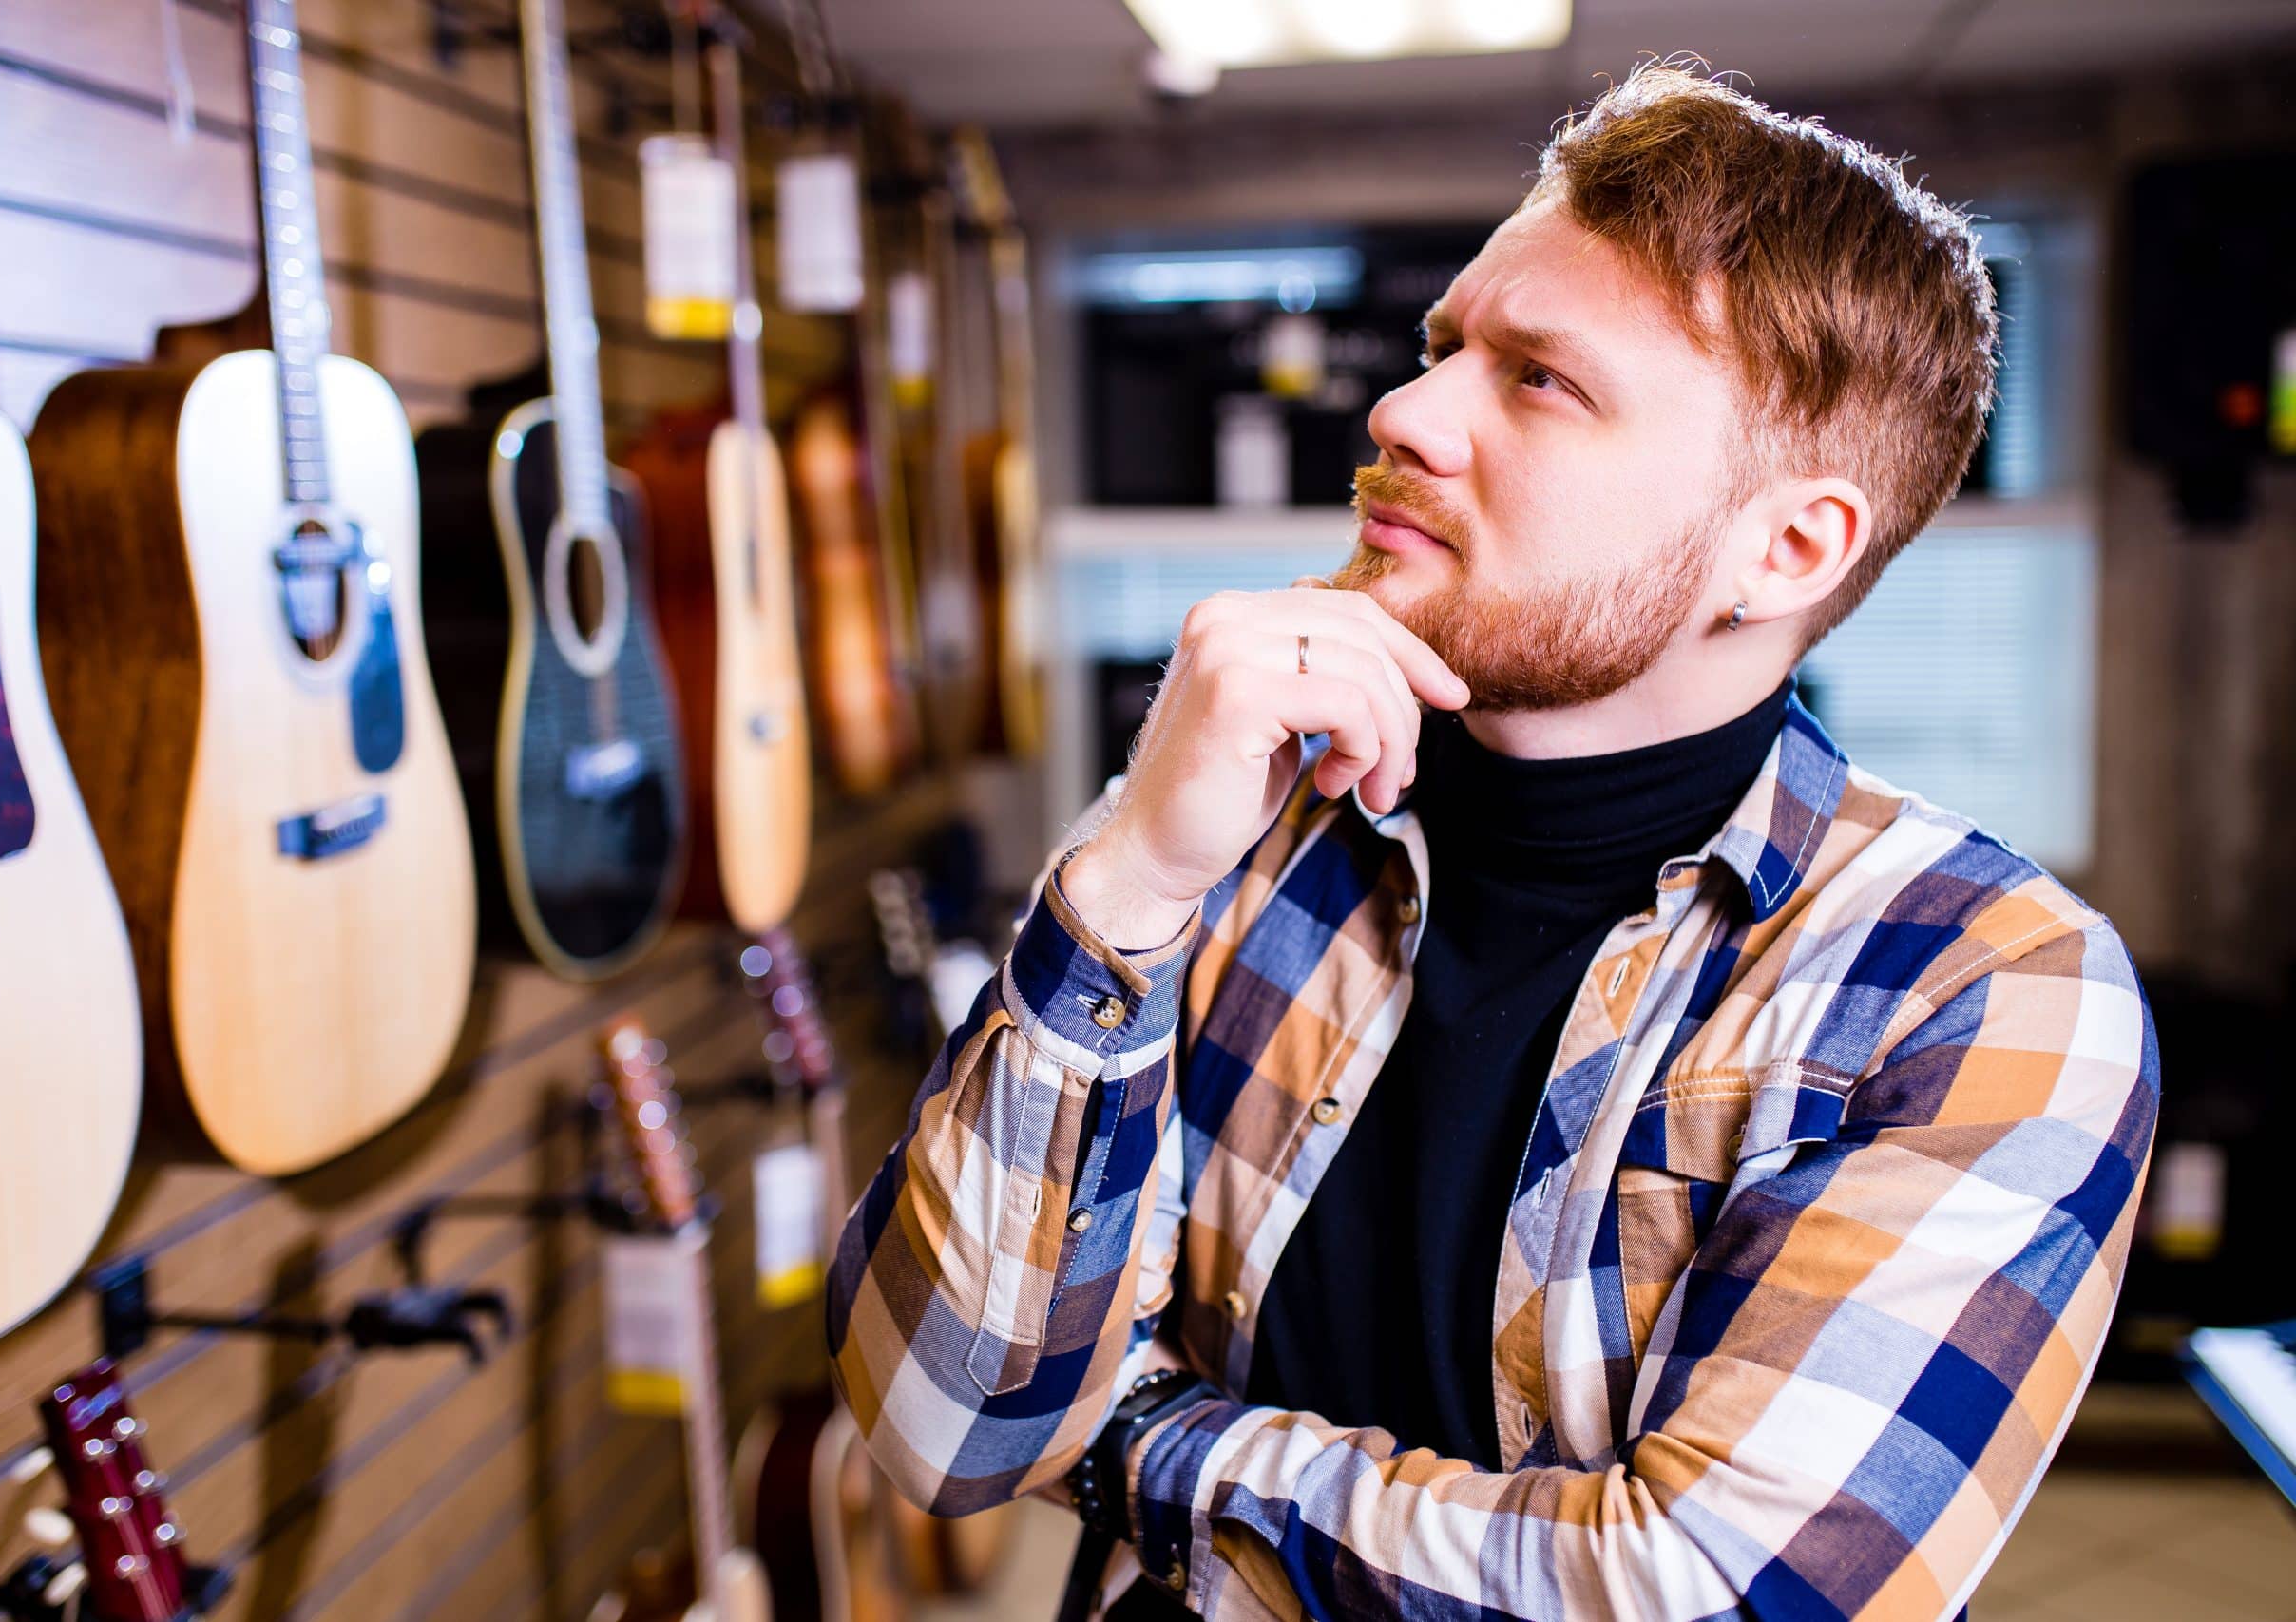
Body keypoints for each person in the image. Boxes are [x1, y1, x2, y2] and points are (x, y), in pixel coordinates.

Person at [827, 62, 2158, 1621]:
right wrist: (1126, 882)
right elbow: (943, 1425)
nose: (1400, 412)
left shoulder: (1979, 992)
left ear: (1784, 547)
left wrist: (1139, 1442)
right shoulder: (1241, 819)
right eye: (1442, 344)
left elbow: (1697, 1596)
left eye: (1540, 380)